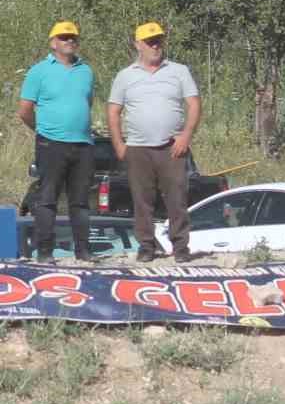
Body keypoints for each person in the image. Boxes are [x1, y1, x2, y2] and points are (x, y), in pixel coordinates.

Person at [107, 22, 202, 263]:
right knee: (142, 200)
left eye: (158, 40)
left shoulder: (178, 71)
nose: (155, 45)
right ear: (138, 44)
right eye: (150, 42)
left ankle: (181, 247)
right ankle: (146, 246)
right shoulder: (125, 75)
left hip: (172, 146)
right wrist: (119, 143)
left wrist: (186, 136)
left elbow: (193, 104)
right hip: (138, 147)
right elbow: (113, 111)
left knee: (177, 198)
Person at [18, 20, 96, 262]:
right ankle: (45, 252)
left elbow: (87, 103)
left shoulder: (86, 71)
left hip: (83, 144)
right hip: (51, 143)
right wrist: (42, 130)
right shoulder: (39, 71)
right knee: (47, 199)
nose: (69, 41)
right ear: (53, 43)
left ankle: (83, 251)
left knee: (81, 201)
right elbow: (25, 110)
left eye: (73, 37)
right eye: (64, 37)